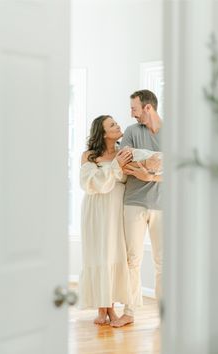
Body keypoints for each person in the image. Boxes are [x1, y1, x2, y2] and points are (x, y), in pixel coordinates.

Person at [110, 89, 163, 328]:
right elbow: (126, 164)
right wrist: (156, 161)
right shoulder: (132, 132)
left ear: (148, 108)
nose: (131, 114)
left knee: (163, 262)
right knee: (133, 260)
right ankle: (129, 311)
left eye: (134, 108)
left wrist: (150, 174)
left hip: (163, 205)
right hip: (133, 202)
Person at [78, 114, 133, 325]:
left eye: (116, 122)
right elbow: (91, 183)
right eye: (112, 124)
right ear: (102, 133)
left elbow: (127, 179)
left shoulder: (123, 153)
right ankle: (103, 309)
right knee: (97, 254)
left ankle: (110, 307)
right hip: (95, 209)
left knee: (112, 252)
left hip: (115, 209)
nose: (118, 125)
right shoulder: (89, 155)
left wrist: (117, 165)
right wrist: (115, 167)